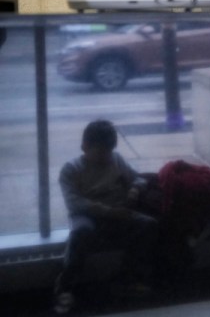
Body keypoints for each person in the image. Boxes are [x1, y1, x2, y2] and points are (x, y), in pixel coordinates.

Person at [55, 120, 158, 314]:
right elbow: (75, 203)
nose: (105, 158)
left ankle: (128, 277)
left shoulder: (116, 159)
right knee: (81, 232)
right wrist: (109, 211)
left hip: (116, 210)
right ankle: (65, 285)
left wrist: (135, 188)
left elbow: (138, 177)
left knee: (149, 225)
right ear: (84, 147)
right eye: (100, 152)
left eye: (108, 152)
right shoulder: (71, 169)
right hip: (87, 214)